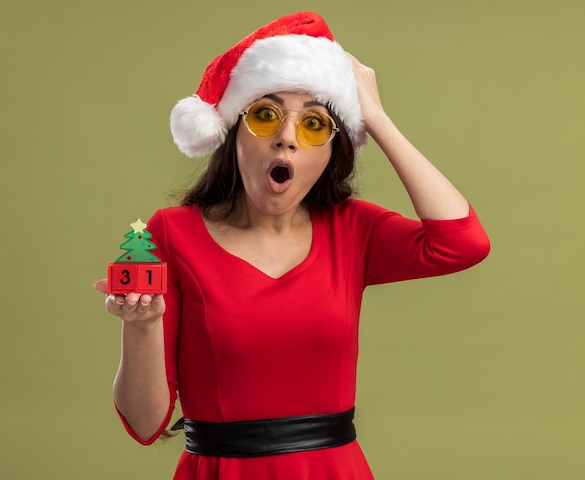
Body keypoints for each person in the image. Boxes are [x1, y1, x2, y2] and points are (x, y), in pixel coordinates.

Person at [93, 11, 490, 479]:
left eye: (314, 125)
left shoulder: (352, 229)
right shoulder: (172, 235)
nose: (285, 139)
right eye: (265, 116)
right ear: (233, 134)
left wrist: (376, 118)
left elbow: (463, 243)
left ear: (331, 153)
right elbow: (143, 424)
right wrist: (142, 326)